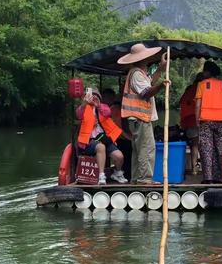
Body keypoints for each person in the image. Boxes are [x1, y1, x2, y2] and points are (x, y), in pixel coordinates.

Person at [117, 43, 170, 184]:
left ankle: (136, 179)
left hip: (138, 118)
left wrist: (160, 68)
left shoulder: (140, 73)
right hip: (139, 118)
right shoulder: (136, 74)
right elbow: (146, 92)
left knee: (139, 149)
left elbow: (149, 82)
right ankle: (144, 179)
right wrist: (161, 85)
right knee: (146, 148)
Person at [76, 88, 128, 185]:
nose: (93, 98)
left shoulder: (103, 107)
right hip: (88, 141)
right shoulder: (83, 108)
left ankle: (117, 173)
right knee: (101, 147)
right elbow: (78, 114)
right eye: (92, 96)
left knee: (119, 156)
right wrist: (85, 103)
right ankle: (101, 176)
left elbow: (107, 113)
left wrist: (98, 105)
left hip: (104, 139)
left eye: (96, 96)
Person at [179, 72, 204, 174]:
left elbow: (181, 103)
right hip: (198, 120)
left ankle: (194, 168)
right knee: (202, 145)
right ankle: (203, 168)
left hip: (188, 121)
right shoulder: (203, 88)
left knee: (194, 144)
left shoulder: (188, 89)